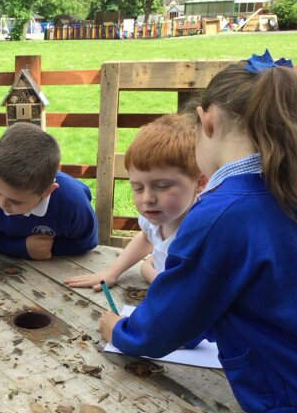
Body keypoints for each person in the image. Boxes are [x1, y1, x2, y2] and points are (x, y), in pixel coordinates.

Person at [99, 51, 297, 413]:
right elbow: (247, 291)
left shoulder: (222, 212)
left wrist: (121, 331)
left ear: (206, 121)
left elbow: (167, 322)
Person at [64, 114, 206, 290]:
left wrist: (148, 271)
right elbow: (146, 238)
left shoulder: (201, 234)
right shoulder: (155, 217)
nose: (147, 199)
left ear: (200, 183)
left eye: (162, 186)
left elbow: (181, 292)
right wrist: (112, 272)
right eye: (137, 188)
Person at [0, 122, 98, 260]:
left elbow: (86, 242)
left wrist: (49, 248)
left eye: (16, 201)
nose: (2, 204)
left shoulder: (73, 203)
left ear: (47, 191)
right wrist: (22, 247)